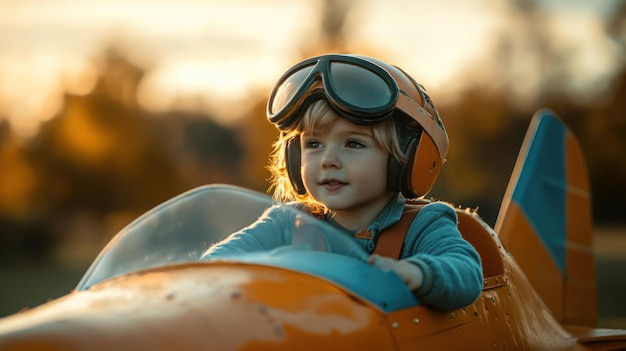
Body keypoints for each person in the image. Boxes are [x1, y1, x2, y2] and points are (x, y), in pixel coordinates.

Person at [203, 54, 483, 310]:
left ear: (404, 160)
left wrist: (415, 274)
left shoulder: (423, 224)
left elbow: (466, 273)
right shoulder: (288, 224)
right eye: (314, 143)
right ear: (293, 156)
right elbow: (213, 265)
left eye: (353, 143)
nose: (328, 160)